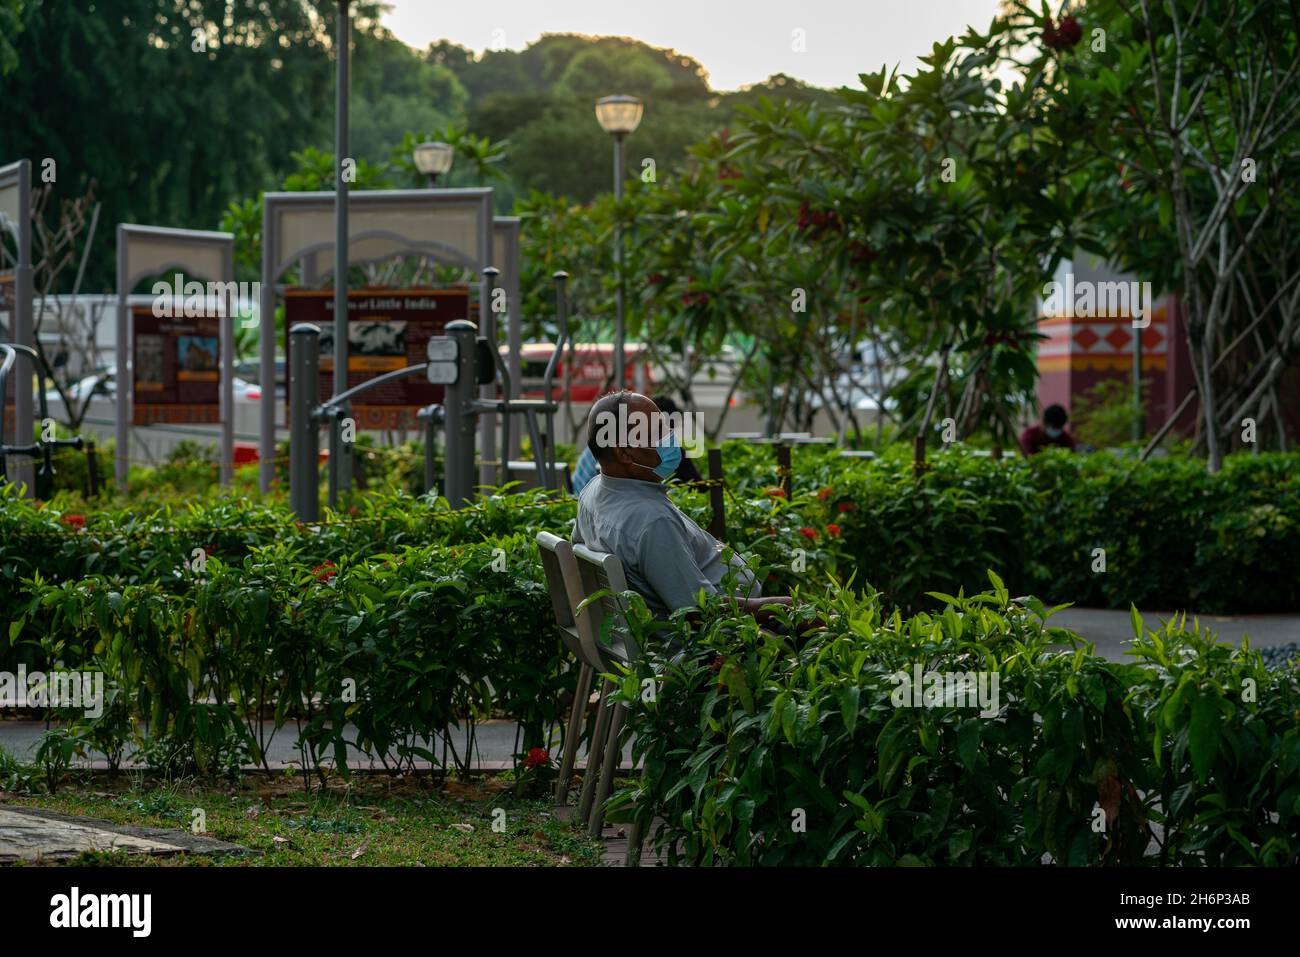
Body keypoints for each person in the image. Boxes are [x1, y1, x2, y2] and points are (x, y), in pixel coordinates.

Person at [572, 390, 794, 627]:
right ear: (625, 453)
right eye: (658, 433)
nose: (670, 438)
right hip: (725, 638)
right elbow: (699, 612)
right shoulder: (652, 521)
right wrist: (781, 606)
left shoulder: (593, 491)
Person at [570, 393, 702, 495]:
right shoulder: (654, 519)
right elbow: (700, 488)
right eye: (658, 431)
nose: (670, 434)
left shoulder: (602, 447)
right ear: (623, 452)